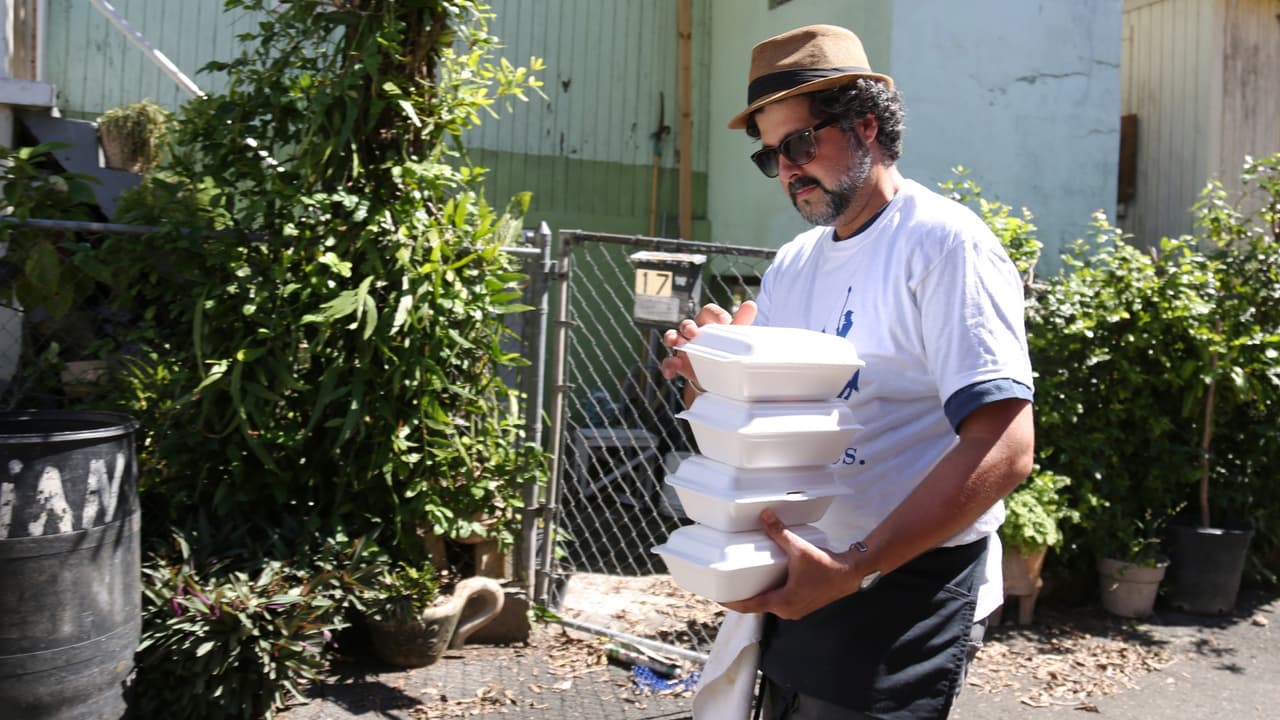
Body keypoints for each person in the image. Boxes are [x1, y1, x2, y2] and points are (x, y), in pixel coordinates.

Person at [660, 24, 1035, 720]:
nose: (788, 170)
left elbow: (1007, 449)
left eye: (800, 144)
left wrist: (855, 567)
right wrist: (708, 372)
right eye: (769, 157)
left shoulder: (944, 246)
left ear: (865, 127)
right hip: (805, 566)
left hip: (905, 579)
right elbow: (763, 422)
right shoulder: (796, 263)